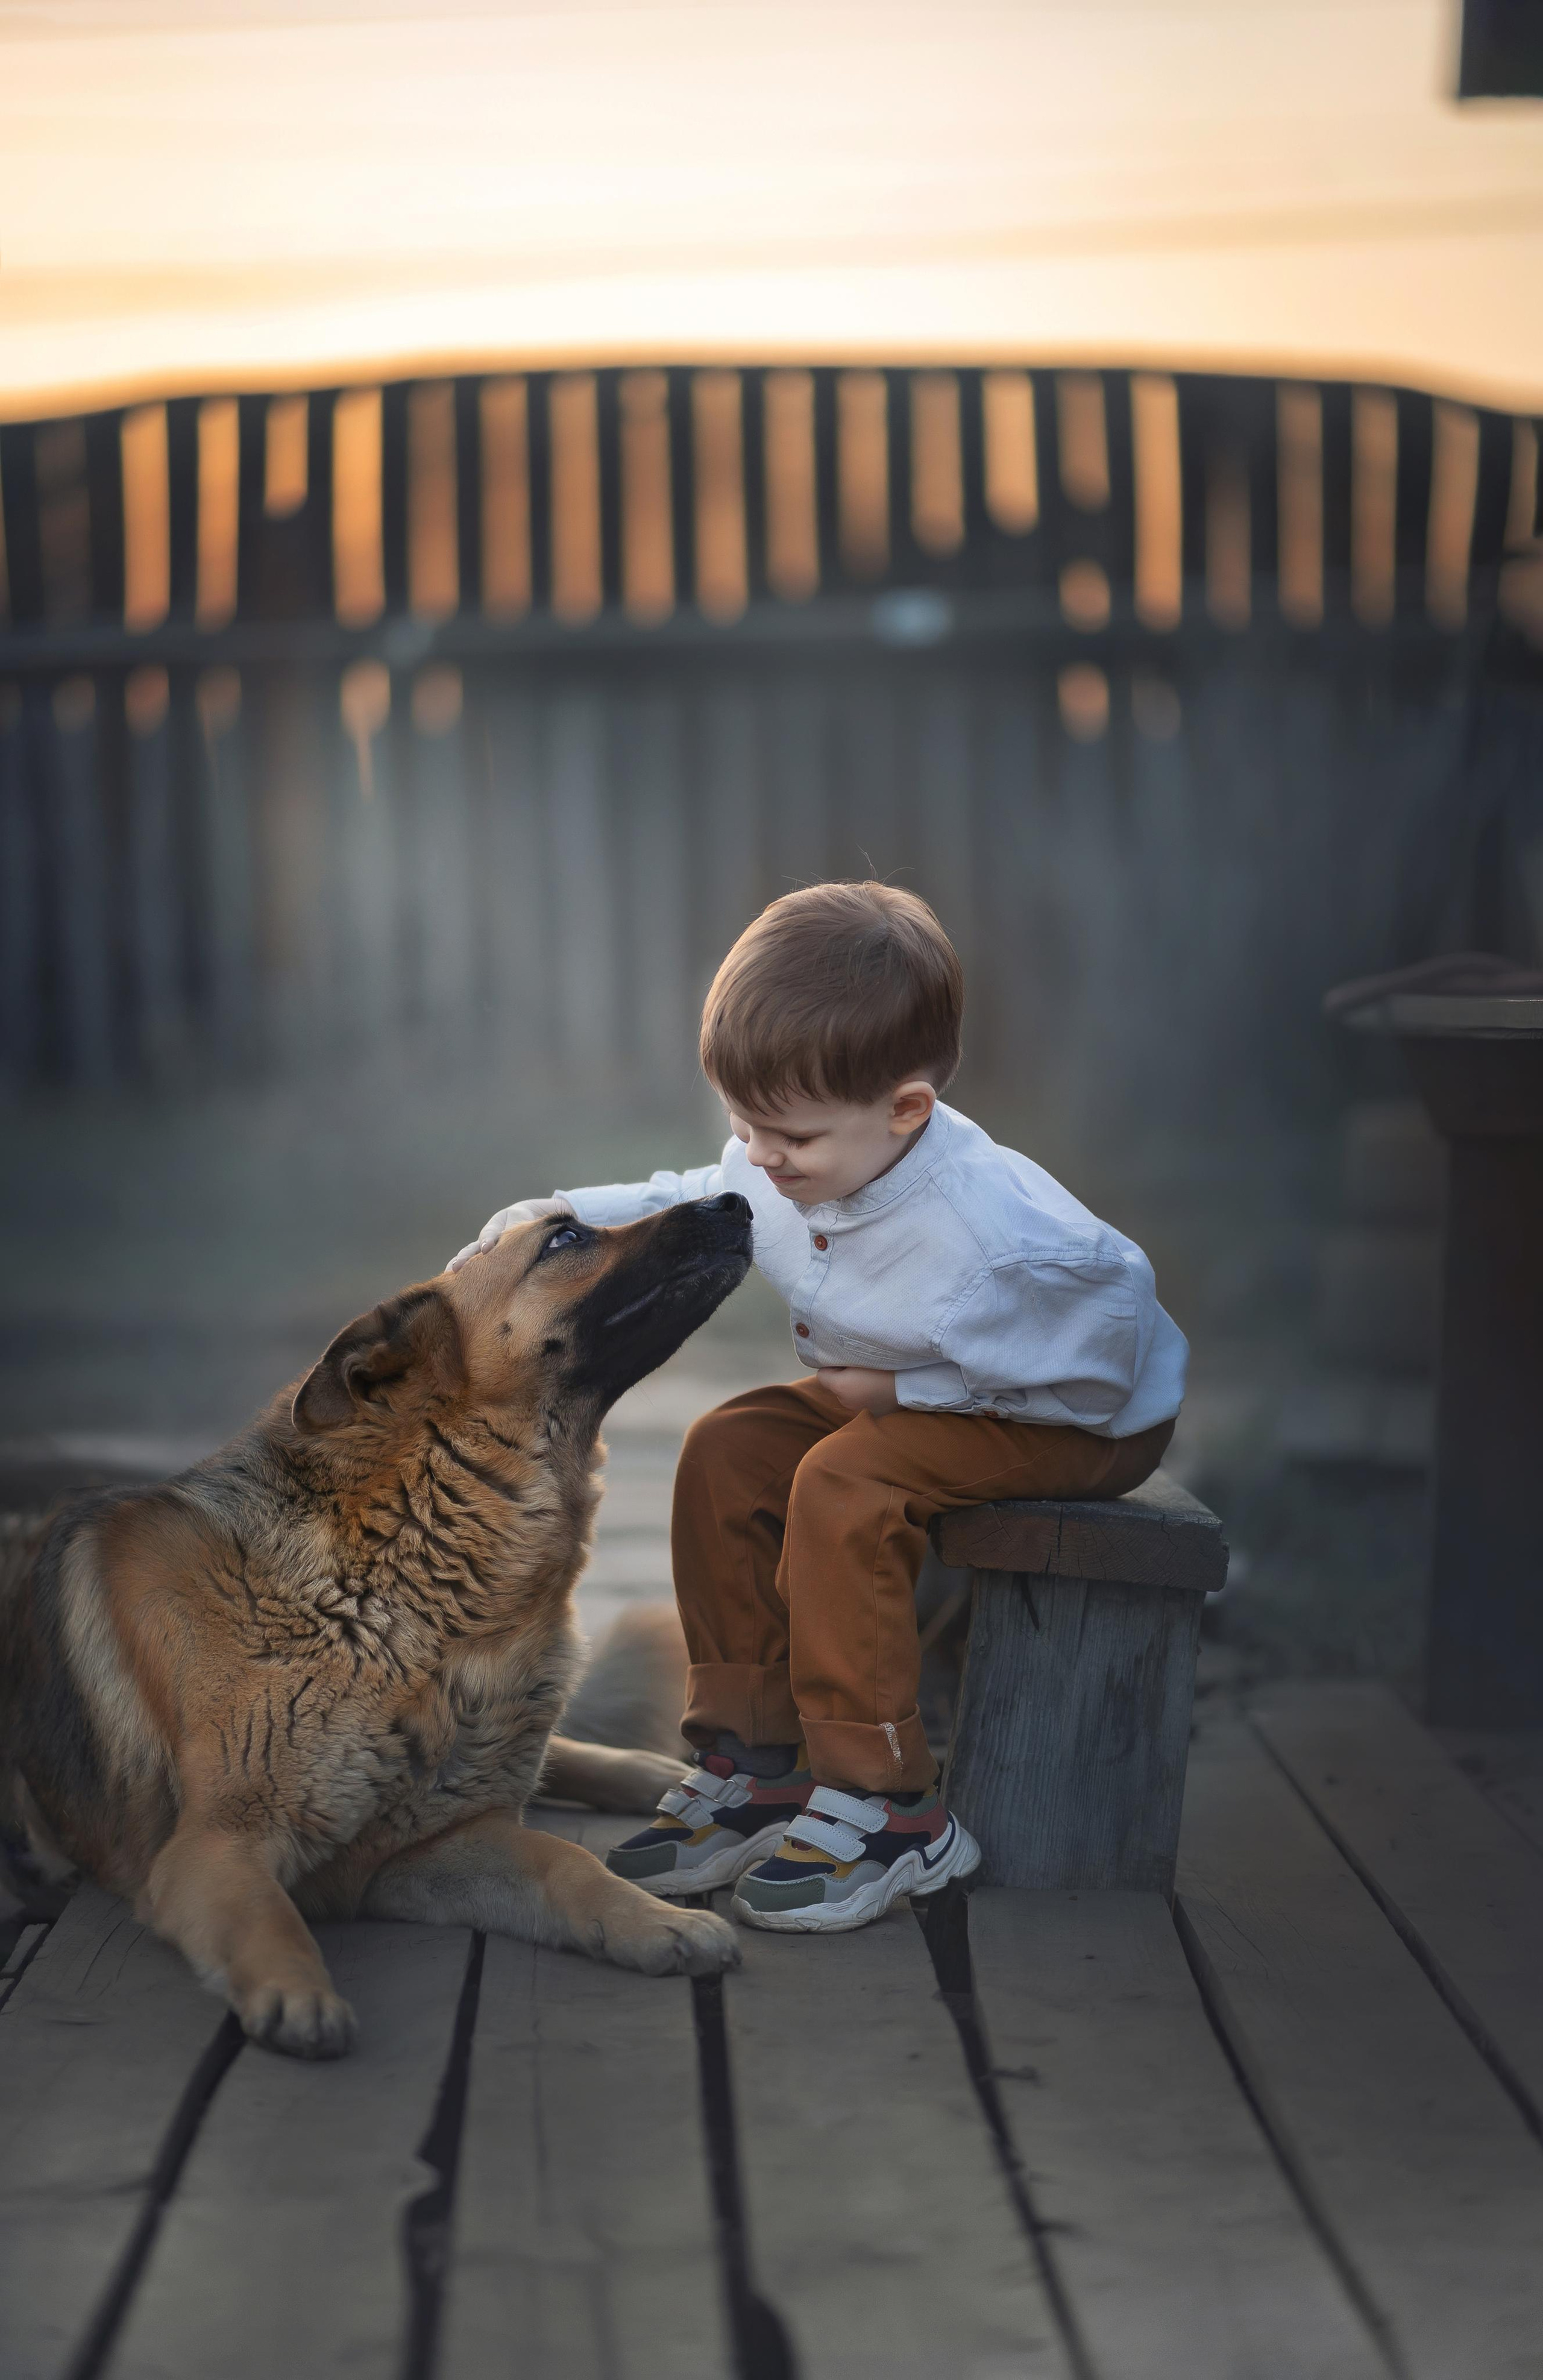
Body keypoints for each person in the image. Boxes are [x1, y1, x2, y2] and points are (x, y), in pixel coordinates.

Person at [448, 881, 1187, 1934]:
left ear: (907, 1112)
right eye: (744, 1124)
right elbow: (686, 1192)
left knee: (843, 1486)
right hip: (909, 1396)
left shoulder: (1001, 1240)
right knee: (729, 1446)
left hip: (1065, 1419)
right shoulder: (791, 1159)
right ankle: (754, 1762)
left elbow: (1104, 1366)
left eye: (787, 1134)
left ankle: (888, 1807)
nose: (759, 1155)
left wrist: (906, 1393)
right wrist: (561, 1217)